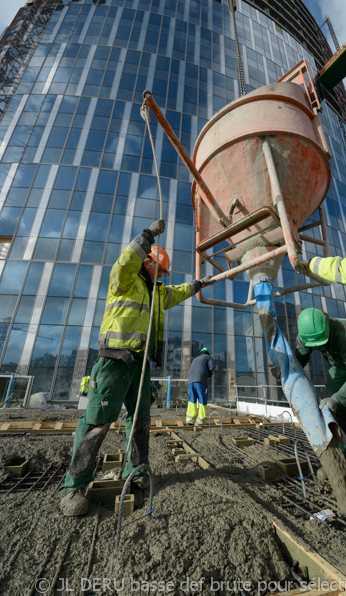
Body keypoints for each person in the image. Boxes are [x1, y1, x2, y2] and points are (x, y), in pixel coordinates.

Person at [60, 220, 209, 516]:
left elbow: (176, 293)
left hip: (139, 366)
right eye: (161, 270)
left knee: (140, 423)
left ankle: (137, 472)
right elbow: (126, 260)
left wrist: (197, 285)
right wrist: (148, 235)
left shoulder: (156, 294)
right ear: (148, 262)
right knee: (97, 422)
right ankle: (74, 485)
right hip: (114, 360)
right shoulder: (125, 279)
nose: (163, 276)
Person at [272, 308, 346, 495]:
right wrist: (285, 369)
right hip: (338, 364)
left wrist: (338, 398)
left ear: (328, 326)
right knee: (333, 411)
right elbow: (299, 359)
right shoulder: (306, 336)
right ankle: (338, 464)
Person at [186, 348, 215, 426]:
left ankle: (189, 421)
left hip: (190, 382)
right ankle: (200, 421)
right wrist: (209, 376)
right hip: (201, 382)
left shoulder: (195, 359)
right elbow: (211, 368)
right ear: (208, 353)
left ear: (201, 353)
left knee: (192, 401)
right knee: (202, 401)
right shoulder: (208, 357)